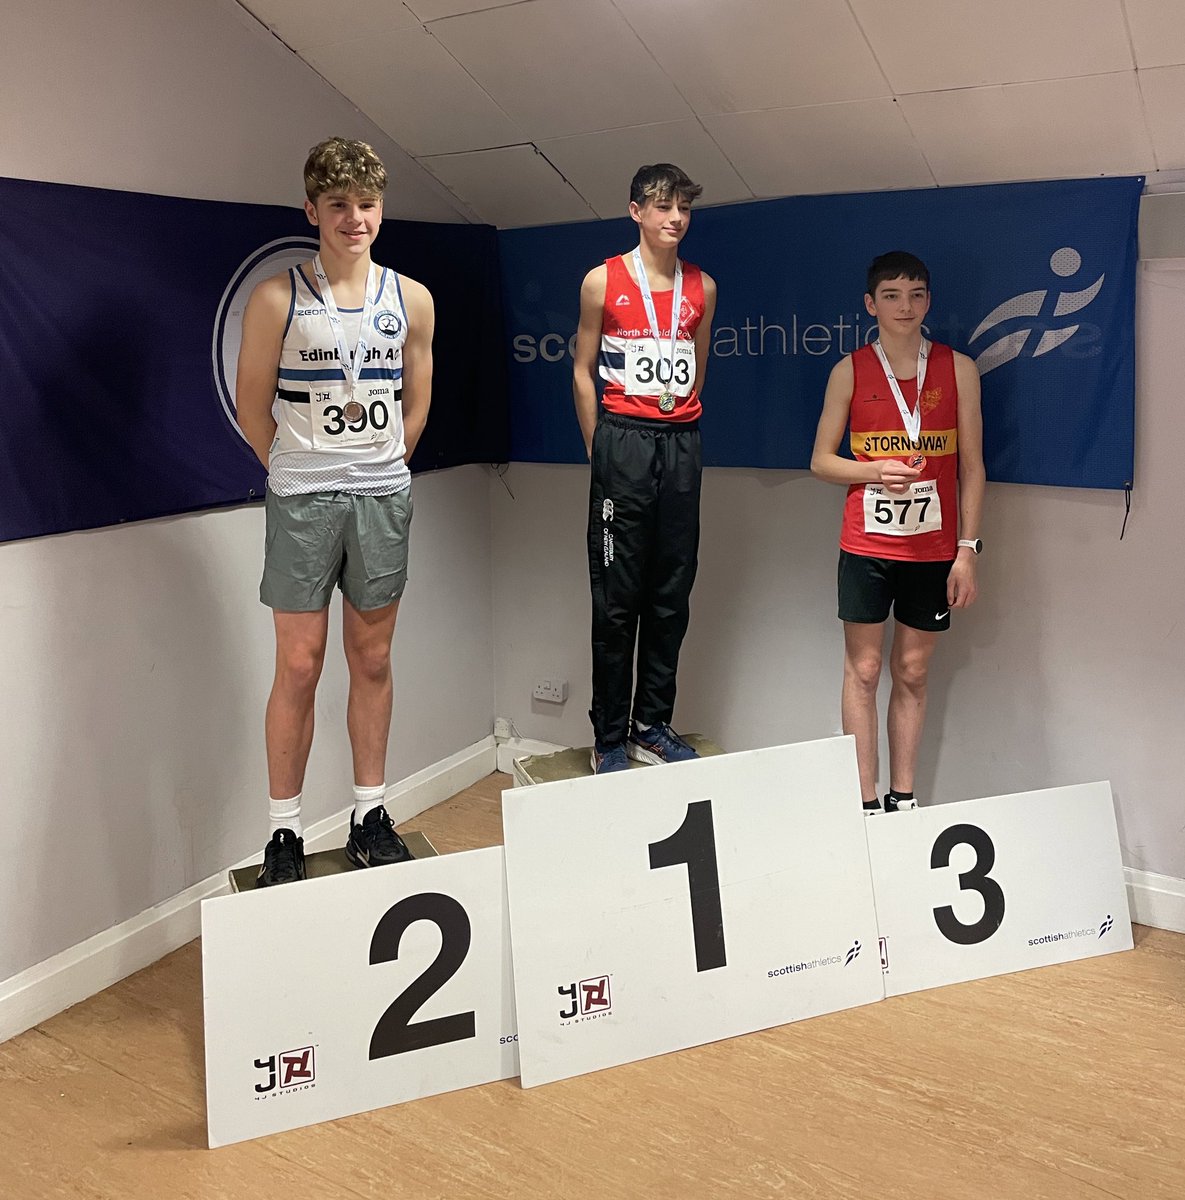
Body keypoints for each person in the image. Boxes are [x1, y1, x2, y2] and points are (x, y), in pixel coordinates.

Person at [235, 137, 434, 884]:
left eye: (368, 204)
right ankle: (284, 832)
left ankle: (369, 813)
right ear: (312, 210)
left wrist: (385, 462)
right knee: (298, 662)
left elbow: (416, 401)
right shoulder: (277, 297)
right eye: (341, 205)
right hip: (303, 499)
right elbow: (252, 406)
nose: (356, 219)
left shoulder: (409, 297)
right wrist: (297, 469)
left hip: (382, 495)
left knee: (373, 657)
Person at [810, 251, 984, 814]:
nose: (904, 307)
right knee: (863, 669)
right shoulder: (850, 370)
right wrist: (871, 470)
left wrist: (968, 551)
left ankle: (902, 799)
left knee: (911, 669)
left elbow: (973, 467)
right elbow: (820, 461)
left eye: (915, 295)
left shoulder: (958, 369)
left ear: (928, 301)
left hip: (934, 549)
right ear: (870, 304)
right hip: (866, 544)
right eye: (891, 295)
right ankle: (862, 802)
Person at [572, 163, 718, 774]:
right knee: (617, 599)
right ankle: (609, 736)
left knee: (671, 593)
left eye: (682, 207)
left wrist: (674, 421)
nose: (675, 218)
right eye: (662, 207)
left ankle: (652, 722)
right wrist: (600, 446)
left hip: (680, 441)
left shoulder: (703, 287)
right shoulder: (602, 281)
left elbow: (698, 362)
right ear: (636, 211)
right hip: (622, 441)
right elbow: (582, 369)